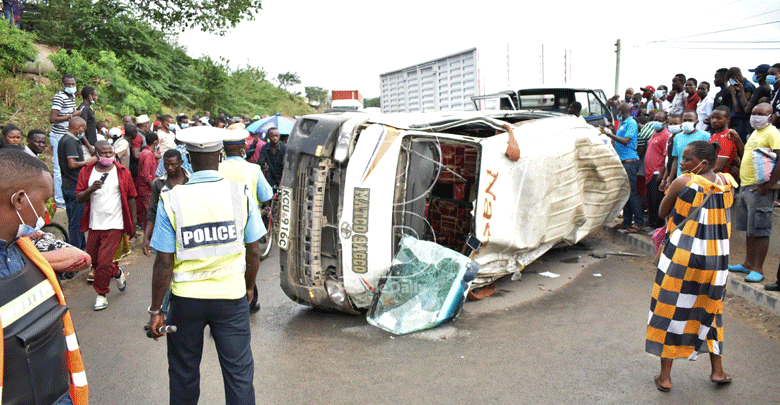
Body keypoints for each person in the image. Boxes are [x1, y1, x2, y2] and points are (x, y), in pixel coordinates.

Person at [146, 126, 263, 405]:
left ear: (188, 159)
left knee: (184, 373)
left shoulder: (171, 199)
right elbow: (254, 251)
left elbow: (164, 263)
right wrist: (248, 288)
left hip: (186, 302)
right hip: (231, 299)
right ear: (220, 156)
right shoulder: (240, 194)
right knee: (239, 374)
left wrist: (156, 310)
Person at [0, 148, 89, 404]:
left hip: (56, 392)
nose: (45, 211)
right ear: (19, 200)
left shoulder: (27, 249)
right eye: (44, 200)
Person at [646, 140, 735, 392]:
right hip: (716, 260)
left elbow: (662, 211)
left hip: (682, 258)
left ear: (703, 163)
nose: (682, 163)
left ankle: (665, 377)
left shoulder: (682, 182)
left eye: (687, 159)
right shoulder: (727, 183)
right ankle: (717, 371)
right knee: (711, 310)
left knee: (669, 311)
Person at [75, 140, 137, 310]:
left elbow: (131, 197)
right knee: (94, 261)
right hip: (95, 223)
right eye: (104, 153)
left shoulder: (122, 172)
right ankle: (117, 272)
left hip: (115, 223)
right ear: (96, 154)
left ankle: (101, 294)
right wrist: (90, 190)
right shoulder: (87, 171)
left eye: (111, 153)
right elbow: (79, 197)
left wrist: (133, 222)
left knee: (103, 262)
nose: (109, 156)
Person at [728, 103, 780, 283]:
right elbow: (746, 155)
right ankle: (748, 263)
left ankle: (758, 268)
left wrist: (768, 185)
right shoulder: (756, 134)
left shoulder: (773, 133)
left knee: (760, 229)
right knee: (750, 229)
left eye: (761, 113)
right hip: (747, 186)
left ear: (770, 116)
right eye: (754, 113)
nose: (756, 116)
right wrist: (737, 141)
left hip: (761, 188)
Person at [600, 102, 644, 231]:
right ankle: (627, 221)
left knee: (632, 194)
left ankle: (639, 222)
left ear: (622, 111)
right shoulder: (623, 124)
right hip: (623, 161)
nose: (616, 113)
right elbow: (618, 140)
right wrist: (613, 130)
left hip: (630, 161)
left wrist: (609, 134)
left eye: (617, 111)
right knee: (626, 193)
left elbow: (626, 141)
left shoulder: (631, 123)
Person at [58, 117, 96, 250]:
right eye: (83, 130)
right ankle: (77, 250)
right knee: (76, 222)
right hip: (74, 186)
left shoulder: (64, 139)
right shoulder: (71, 141)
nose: (83, 133)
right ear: (77, 128)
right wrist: (89, 161)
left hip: (68, 185)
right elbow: (72, 164)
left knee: (75, 221)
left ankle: (81, 247)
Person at [143, 149, 189, 257]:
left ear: (181, 163)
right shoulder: (158, 183)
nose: (170, 168)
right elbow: (153, 210)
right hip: (166, 231)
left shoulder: (191, 181)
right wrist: (146, 237)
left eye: (173, 165)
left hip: (187, 230)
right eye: (166, 165)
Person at [49, 74, 83, 207]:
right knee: (58, 168)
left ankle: (65, 196)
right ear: (63, 85)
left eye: (72, 84)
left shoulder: (72, 96)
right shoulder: (59, 97)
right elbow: (53, 119)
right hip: (58, 136)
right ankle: (59, 200)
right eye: (67, 84)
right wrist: (72, 115)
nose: (70, 87)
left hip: (67, 136)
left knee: (66, 167)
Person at [220, 129, 274, 208]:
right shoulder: (254, 169)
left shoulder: (216, 169)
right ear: (243, 149)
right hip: (249, 217)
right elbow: (266, 198)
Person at [664, 110, 711, 187]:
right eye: (685, 120)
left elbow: (708, 160)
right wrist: (669, 180)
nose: (687, 122)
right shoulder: (678, 137)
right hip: (681, 179)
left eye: (690, 120)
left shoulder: (705, 136)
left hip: (698, 180)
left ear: (696, 121)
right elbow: (676, 160)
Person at [644, 111, 670, 228]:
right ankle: (651, 222)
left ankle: (656, 226)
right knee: (650, 199)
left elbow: (666, 157)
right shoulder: (654, 132)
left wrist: (662, 173)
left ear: (665, 121)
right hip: (648, 172)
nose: (657, 122)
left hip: (657, 172)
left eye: (660, 120)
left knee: (656, 201)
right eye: (656, 119)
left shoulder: (666, 135)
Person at [136, 132, 160, 231]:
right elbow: (147, 176)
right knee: (151, 214)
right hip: (147, 189)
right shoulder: (148, 154)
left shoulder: (146, 152)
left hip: (145, 188)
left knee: (148, 214)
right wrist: (155, 189)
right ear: (155, 142)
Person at [707, 106, 739, 175]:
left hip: (721, 181)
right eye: (712, 117)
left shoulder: (727, 136)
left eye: (718, 118)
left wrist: (700, 177)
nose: (714, 121)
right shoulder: (713, 136)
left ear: (727, 120)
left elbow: (719, 168)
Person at [727, 67, 755, 142]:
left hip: (743, 123)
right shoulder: (738, 86)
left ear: (734, 77)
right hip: (736, 123)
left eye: (730, 80)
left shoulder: (746, 87)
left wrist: (733, 93)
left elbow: (738, 108)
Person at [78, 86, 98, 153]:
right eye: (95, 95)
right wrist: (89, 146)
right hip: (85, 146)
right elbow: (80, 129)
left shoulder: (88, 108)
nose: (96, 98)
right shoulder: (84, 109)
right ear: (89, 96)